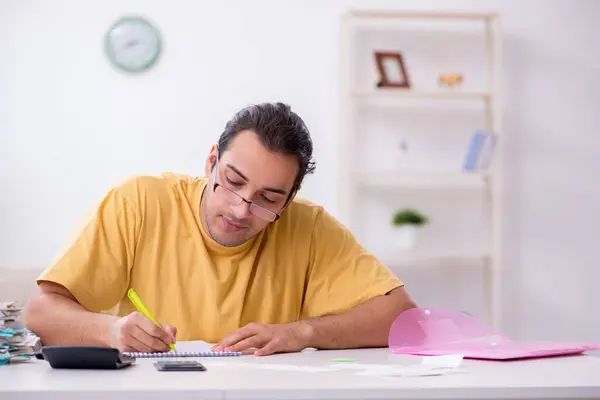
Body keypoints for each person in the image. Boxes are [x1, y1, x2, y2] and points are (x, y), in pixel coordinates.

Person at [23, 102, 417, 356]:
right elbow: (41, 312)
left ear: (291, 196)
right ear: (212, 159)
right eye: (232, 180)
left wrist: (303, 333)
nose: (241, 209)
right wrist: (112, 332)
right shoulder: (137, 202)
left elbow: (403, 317)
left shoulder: (310, 227)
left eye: (268, 198)